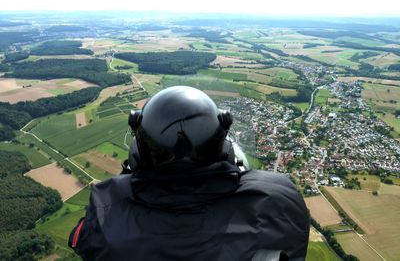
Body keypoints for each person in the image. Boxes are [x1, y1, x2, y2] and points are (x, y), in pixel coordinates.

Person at [69, 86, 309, 261]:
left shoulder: (106, 206)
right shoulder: (280, 198)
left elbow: (79, 240)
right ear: (221, 145)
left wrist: (126, 180)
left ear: (142, 153)